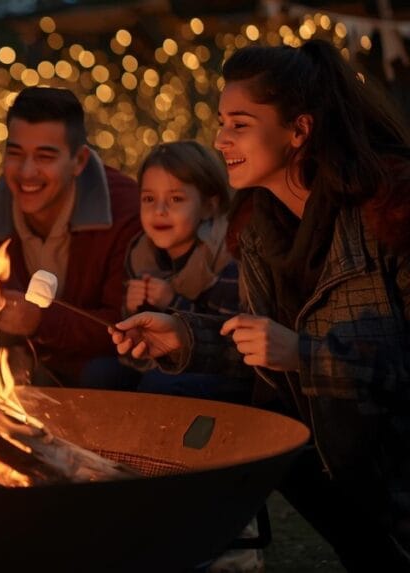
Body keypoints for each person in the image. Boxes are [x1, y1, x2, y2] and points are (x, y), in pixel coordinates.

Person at [111, 40, 410, 571]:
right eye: (222, 122)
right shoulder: (259, 228)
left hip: (393, 452)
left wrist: (305, 354)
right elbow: (268, 353)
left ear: (299, 130)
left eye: (240, 124)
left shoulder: (391, 210)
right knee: (264, 435)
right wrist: (186, 335)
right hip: (327, 451)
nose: (221, 139)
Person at [0, 86, 141, 385]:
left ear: (79, 161)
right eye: (16, 154)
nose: (27, 172)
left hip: (100, 384)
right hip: (10, 382)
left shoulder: (127, 213)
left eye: (44, 157)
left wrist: (41, 320)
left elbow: (129, 327)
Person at [80, 141, 248, 402]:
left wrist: (173, 302)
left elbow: (227, 340)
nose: (159, 211)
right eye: (149, 199)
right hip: (156, 362)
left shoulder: (224, 255)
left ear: (208, 205)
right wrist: (132, 312)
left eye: (176, 199)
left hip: (217, 374)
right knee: (98, 374)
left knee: (159, 384)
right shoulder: (140, 254)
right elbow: (132, 345)